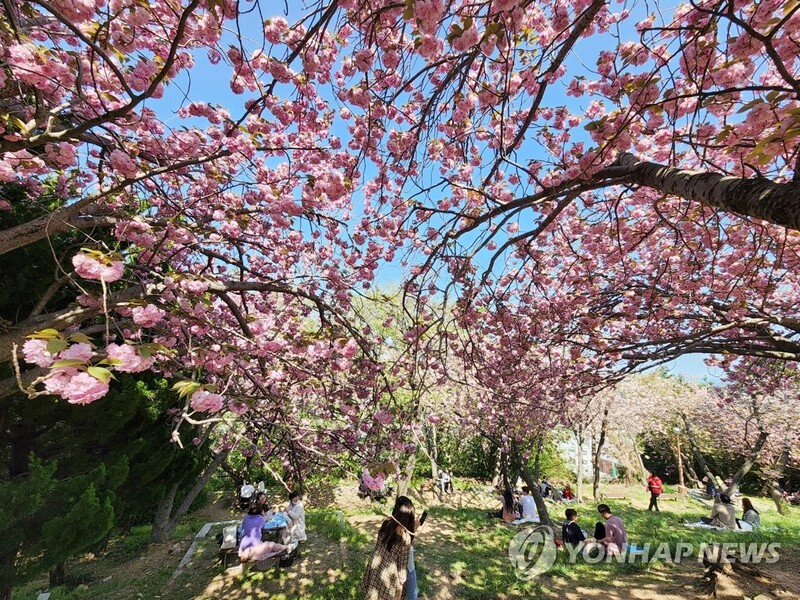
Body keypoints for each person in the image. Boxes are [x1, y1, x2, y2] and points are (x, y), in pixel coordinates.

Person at [360, 495, 416, 600]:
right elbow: (402, 567)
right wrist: (401, 585)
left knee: (373, 595)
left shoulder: (387, 523)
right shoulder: (405, 537)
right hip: (389, 575)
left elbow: (379, 545)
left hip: (376, 565)